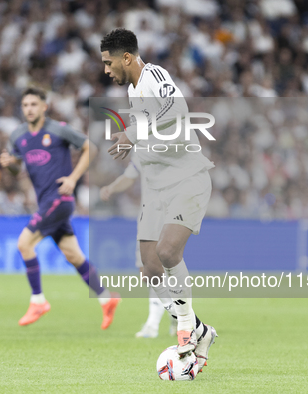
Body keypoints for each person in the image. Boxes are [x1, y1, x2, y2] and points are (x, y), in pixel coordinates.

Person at [100, 28, 217, 372]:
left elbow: (175, 112)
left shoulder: (154, 76)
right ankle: (199, 329)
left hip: (187, 179)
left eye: (108, 63)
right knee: (149, 267)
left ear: (126, 58)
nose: (106, 70)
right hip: (158, 186)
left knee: (167, 252)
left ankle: (185, 330)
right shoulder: (135, 94)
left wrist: (131, 135)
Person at [0, 87, 120, 329]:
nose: (29, 109)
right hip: (46, 202)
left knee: (24, 244)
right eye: (25, 105)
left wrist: (73, 179)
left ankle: (38, 301)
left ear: (44, 107)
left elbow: (90, 148)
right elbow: (16, 169)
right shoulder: (18, 136)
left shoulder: (58, 130)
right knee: (74, 256)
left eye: (34, 104)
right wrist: (11, 164)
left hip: (60, 199)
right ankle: (107, 298)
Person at [100, 153, 177, 338]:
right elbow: (129, 176)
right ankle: (177, 315)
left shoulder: (174, 146)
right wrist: (111, 188)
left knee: (157, 269)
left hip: (169, 212)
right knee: (146, 272)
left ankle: (153, 324)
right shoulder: (142, 150)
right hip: (147, 214)